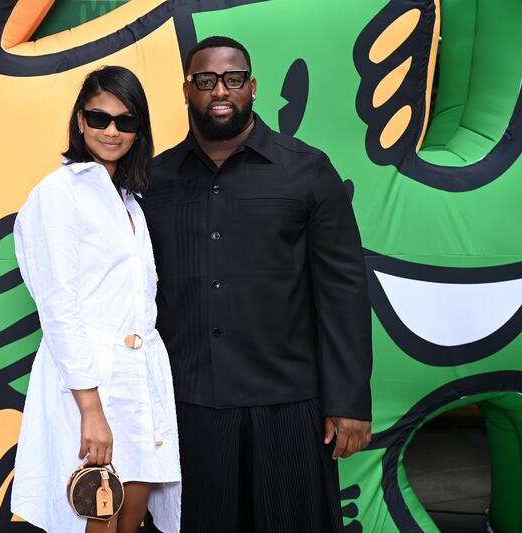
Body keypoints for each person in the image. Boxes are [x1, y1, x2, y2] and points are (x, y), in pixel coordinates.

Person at [139, 36, 372, 532]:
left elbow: (343, 292)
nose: (219, 90)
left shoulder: (308, 171)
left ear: (253, 87)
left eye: (233, 78)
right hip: (189, 406)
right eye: (205, 80)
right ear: (186, 90)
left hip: (288, 404)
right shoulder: (152, 182)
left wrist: (348, 401)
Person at [10, 66, 181, 533]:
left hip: (139, 381)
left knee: (132, 518)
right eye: (99, 118)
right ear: (80, 121)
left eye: (125, 122)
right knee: (92, 513)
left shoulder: (129, 200)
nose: (111, 131)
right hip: (90, 383)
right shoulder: (58, 193)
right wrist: (91, 410)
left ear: (139, 130)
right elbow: (59, 308)